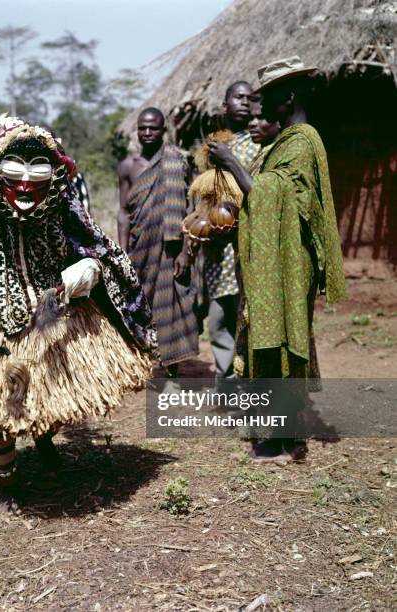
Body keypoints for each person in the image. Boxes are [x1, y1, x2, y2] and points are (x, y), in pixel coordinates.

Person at [0, 115, 156, 510]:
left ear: (53, 176)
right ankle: (6, 481)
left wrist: (90, 269)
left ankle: (42, 439)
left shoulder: (64, 209)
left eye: (37, 172)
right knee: (0, 412)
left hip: (52, 320)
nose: (25, 185)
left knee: (52, 399)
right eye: (14, 172)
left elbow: (100, 250)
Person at [209, 56, 346, 460]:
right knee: (276, 335)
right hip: (281, 257)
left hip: (290, 260)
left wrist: (232, 163)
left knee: (282, 339)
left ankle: (283, 438)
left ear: (287, 97)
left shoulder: (301, 142)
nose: (260, 108)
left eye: (267, 98)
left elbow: (271, 194)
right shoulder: (286, 140)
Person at [117, 107, 198, 381]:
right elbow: (123, 212)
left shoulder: (177, 161)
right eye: (143, 128)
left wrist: (186, 250)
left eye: (153, 128)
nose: (147, 133)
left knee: (171, 305)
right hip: (141, 249)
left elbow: (189, 208)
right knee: (142, 307)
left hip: (170, 249)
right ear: (137, 130)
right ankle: (144, 363)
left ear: (164, 130)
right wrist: (123, 252)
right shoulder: (128, 166)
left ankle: (172, 366)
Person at [197, 83, 260, 390]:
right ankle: (226, 382)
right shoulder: (211, 146)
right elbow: (205, 193)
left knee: (247, 315)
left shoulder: (260, 143)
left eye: (250, 98)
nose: (245, 103)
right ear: (224, 105)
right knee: (219, 317)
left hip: (245, 243)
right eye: (239, 97)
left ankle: (249, 383)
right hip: (217, 248)